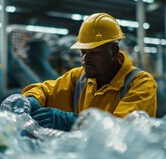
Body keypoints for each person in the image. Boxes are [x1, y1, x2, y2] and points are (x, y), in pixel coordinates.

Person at [22, 13, 157, 131]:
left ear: (114, 51)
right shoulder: (78, 77)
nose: (86, 59)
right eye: (83, 52)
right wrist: (31, 100)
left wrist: (72, 122)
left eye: (94, 53)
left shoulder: (140, 83)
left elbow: (121, 130)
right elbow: (45, 91)